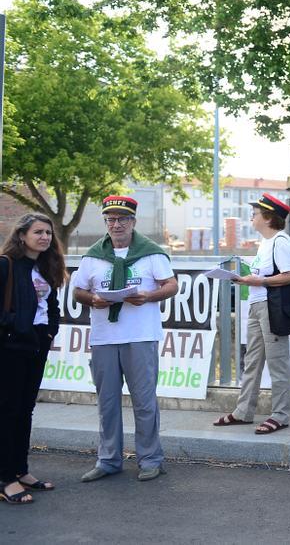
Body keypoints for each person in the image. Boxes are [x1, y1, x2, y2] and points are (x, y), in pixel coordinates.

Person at [72, 196, 178, 482]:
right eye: (110, 219)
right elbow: (77, 292)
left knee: (144, 401)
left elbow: (171, 285)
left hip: (141, 336)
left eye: (122, 219)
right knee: (107, 402)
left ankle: (150, 459)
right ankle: (108, 460)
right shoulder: (93, 255)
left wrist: (148, 296)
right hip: (104, 337)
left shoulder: (151, 253)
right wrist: (92, 299)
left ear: (133, 221)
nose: (116, 224)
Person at [214, 193, 290, 435]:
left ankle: (281, 415)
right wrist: (247, 280)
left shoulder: (281, 241)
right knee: (251, 362)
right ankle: (243, 411)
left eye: (256, 212)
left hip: (271, 308)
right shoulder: (266, 243)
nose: (252, 216)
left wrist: (259, 280)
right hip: (257, 305)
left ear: (268, 217)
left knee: (277, 362)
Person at [0, 214, 65, 504]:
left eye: (48, 233)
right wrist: (16, 326)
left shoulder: (45, 267)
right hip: (10, 348)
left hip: (36, 348)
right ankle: (5, 479)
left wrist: (49, 333)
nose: (45, 237)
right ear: (22, 235)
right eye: (38, 232)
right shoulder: (6, 265)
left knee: (25, 410)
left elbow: (52, 305)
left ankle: (20, 469)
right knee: (7, 412)